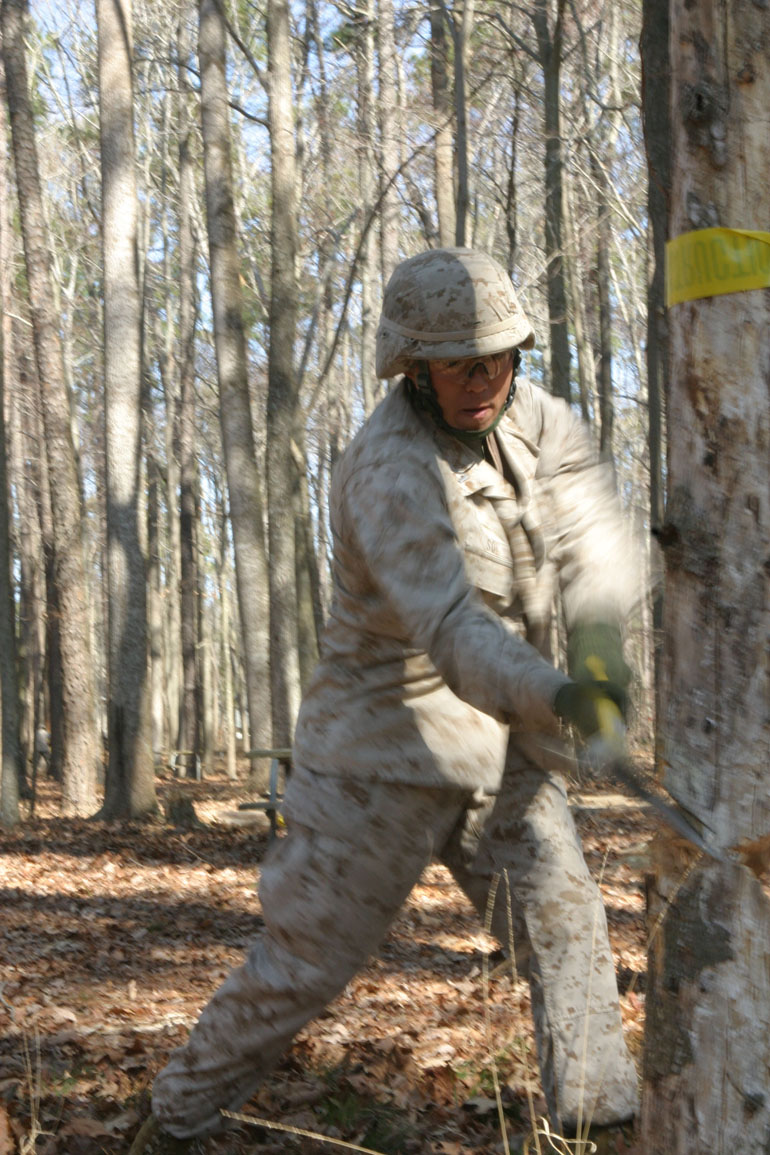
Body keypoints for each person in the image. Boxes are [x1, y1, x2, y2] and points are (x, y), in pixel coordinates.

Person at [130, 248, 640, 1154]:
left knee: (565, 922)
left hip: (506, 749)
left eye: (493, 358)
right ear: (415, 366)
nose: (480, 381)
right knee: (304, 964)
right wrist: (561, 693)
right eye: (456, 364)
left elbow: (594, 531)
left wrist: (599, 648)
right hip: (380, 757)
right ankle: (172, 1124)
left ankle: (597, 1125)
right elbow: (451, 627)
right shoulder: (387, 468)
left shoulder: (539, 420)